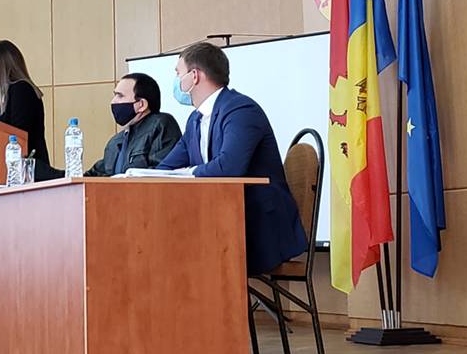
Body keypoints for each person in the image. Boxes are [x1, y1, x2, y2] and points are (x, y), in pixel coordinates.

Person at [157, 42, 307, 275]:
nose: (177, 81)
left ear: (194, 76)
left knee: (181, 256)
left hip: (257, 228)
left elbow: (228, 168)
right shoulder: (195, 120)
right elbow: (166, 168)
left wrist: (187, 173)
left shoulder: (240, 110)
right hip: (222, 223)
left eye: (178, 73)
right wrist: (138, 176)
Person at [0, 40, 58, 180]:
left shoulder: (21, 89)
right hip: (14, 173)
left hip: (29, 172)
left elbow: (19, 134)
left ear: (7, 67)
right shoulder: (3, 98)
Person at [85, 73, 182, 177]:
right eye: (115, 95)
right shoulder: (116, 141)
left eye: (120, 96)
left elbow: (160, 173)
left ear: (141, 104)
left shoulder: (160, 124)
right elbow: (95, 175)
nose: (113, 101)